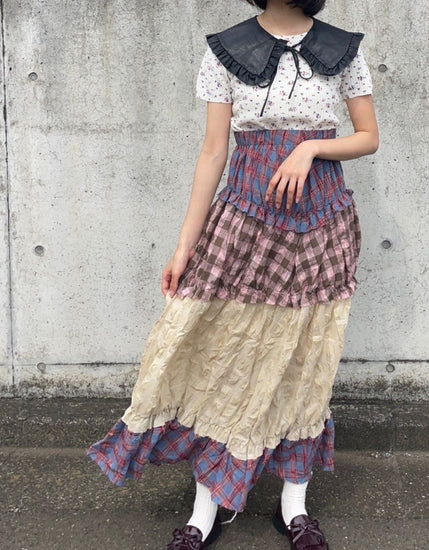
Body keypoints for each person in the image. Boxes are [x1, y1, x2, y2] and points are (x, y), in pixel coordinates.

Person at [87, 0, 379, 548]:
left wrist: (312, 148)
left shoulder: (343, 49)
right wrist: (184, 247)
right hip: (244, 219)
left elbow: (368, 136)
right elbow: (213, 152)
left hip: (322, 221)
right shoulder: (226, 50)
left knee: (307, 360)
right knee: (222, 358)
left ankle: (294, 507)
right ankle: (207, 508)